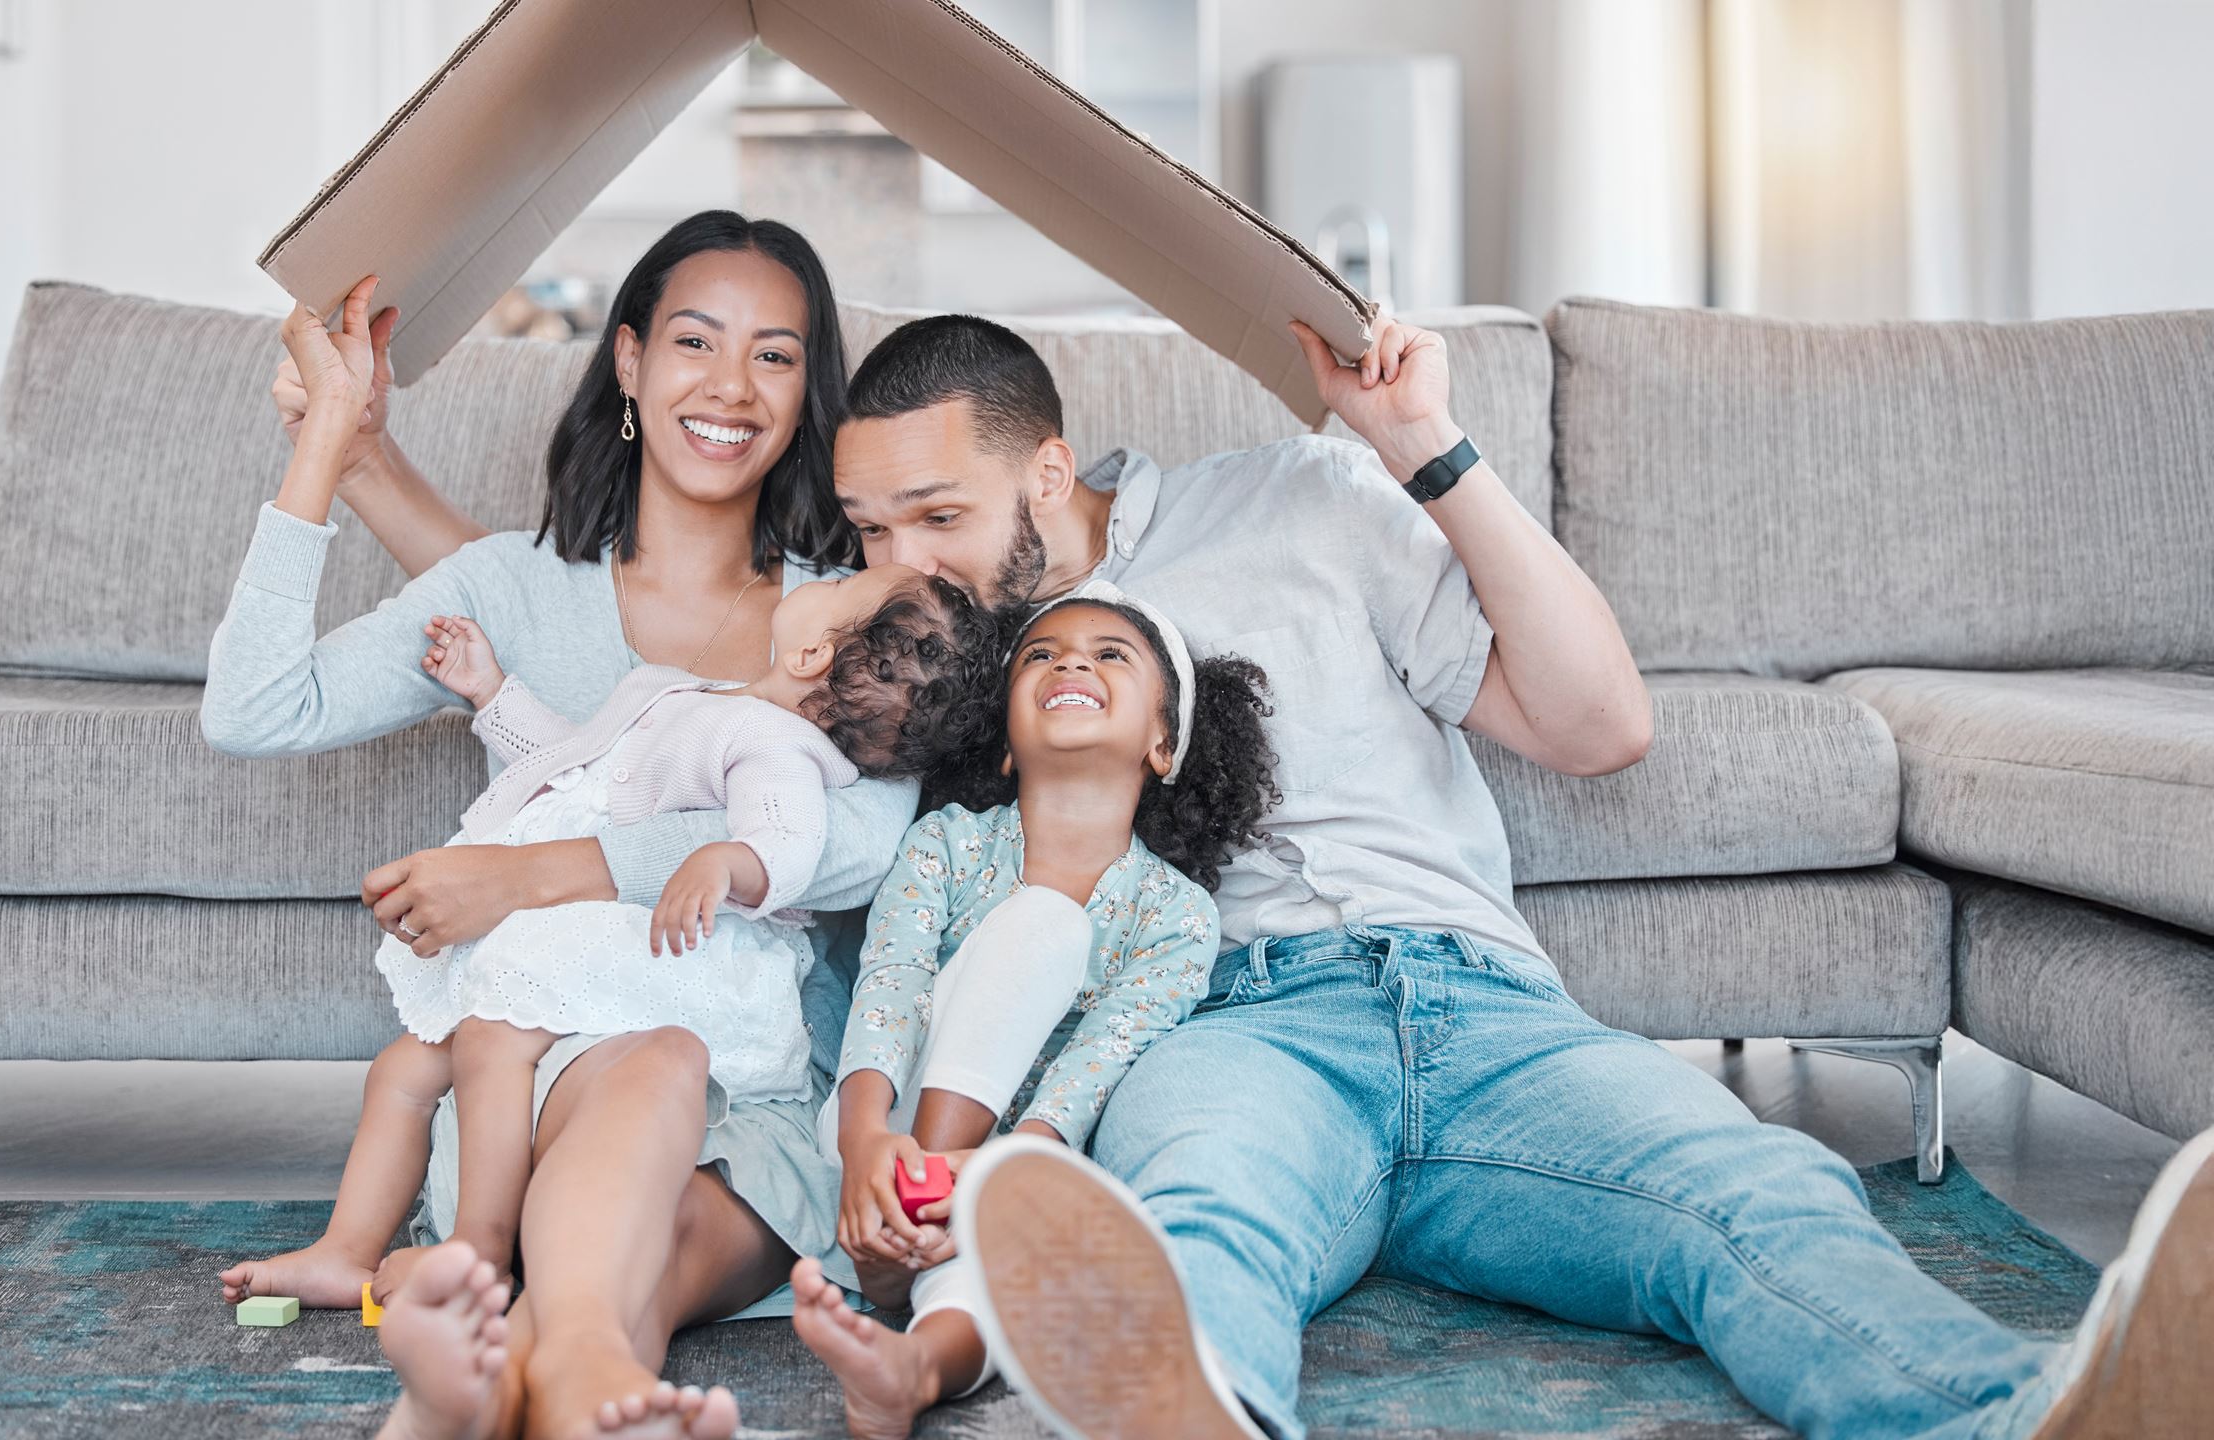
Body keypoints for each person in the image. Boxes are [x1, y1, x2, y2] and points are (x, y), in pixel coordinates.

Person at [827, 311, 2214, 1439]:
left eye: (933, 516)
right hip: (1227, 1029)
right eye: (867, 531)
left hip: (1482, 1010)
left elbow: (1601, 725)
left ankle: (2020, 1420)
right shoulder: (947, 676)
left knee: (1756, 1186)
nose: (899, 567)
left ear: (1049, 476)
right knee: (1190, 1229)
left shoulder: (1295, 499)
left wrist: (1426, 446)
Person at [206, 209, 936, 1440]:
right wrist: (329, 446)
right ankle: (593, 1378)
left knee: (631, 1234)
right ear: (631, 363)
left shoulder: (843, 612)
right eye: (697, 341)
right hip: (528, 1104)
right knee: (646, 1062)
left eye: (775, 353)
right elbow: (256, 708)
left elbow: (870, 841)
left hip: (756, 1113)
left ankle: (499, 1401)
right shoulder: (511, 587)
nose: (731, 384)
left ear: (809, 391)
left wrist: (546, 871)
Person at [786, 586, 1280, 1438]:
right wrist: (868, 1137)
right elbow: (892, 982)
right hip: (875, 1135)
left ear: (1163, 743)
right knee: (1045, 923)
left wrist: (1005, 1171)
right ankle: (912, 1204)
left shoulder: (1177, 915)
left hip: (1011, 1174)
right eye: (1040, 656)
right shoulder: (947, 841)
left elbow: (1096, 1070)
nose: (1071, 662)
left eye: (1109, 654)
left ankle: (911, 1368)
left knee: (1018, 1275)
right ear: (1007, 746)